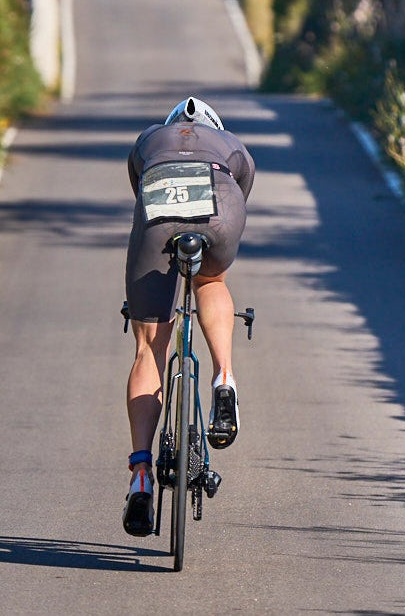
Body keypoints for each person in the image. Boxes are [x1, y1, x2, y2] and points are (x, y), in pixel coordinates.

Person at [121, 97, 256, 537]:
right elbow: (242, 192)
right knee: (212, 281)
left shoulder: (148, 139)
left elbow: (139, 192)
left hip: (158, 201)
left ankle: (140, 473)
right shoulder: (230, 143)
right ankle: (224, 378)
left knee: (149, 348)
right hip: (221, 199)